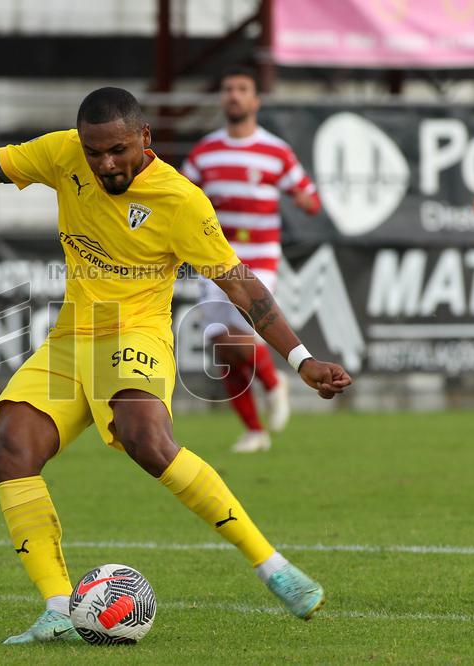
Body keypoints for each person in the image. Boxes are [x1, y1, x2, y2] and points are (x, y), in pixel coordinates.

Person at [0, 87, 350, 643]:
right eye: (94, 152)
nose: (105, 163)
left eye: (117, 150)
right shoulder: (64, 152)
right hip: (71, 340)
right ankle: (57, 610)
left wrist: (301, 359)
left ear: (145, 138)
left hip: (136, 334)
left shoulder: (180, 201)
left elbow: (242, 286)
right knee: (12, 448)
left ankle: (273, 567)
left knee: (146, 438)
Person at [182, 66, 321, 453]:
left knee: (243, 338)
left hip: (259, 259)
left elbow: (310, 197)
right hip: (214, 259)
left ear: (255, 100)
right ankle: (254, 431)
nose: (234, 95)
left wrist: (305, 200)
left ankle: (275, 384)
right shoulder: (205, 151)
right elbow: (179, 197)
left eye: (242, 89)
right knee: (222, 347)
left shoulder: (275, 151)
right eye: (228, 88)